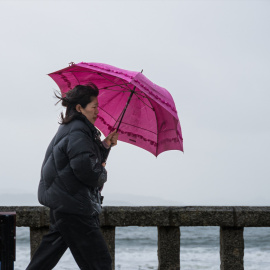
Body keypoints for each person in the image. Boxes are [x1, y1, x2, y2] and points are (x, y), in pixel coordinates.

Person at [26, 84, 118, 270]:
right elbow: (87, 171)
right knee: (100, 263)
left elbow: (83, 161)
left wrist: (106, 145)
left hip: (65, 203)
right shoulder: (79, 131)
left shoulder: (73, 128)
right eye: (94, 107)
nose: (97, 112)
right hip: (75, 207)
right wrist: (103, 173)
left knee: (44, 261)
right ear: (79, 108)